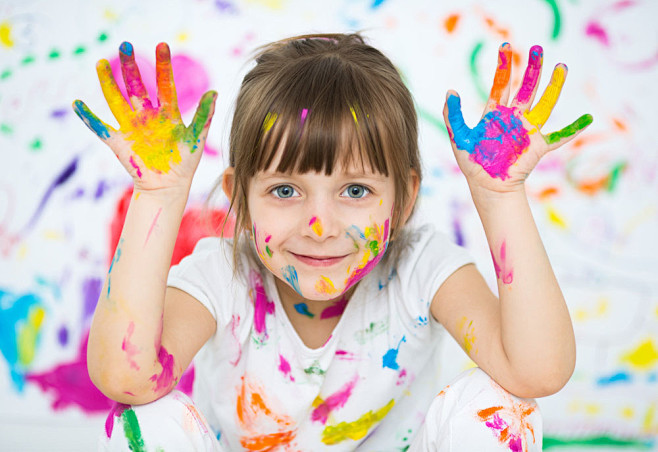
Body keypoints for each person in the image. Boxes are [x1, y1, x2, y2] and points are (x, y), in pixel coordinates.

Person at [73, 34, 591, 451]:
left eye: (356, 190)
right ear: (241, 197)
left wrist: (501, 197)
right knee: (146, 420)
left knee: (498, 405)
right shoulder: (222, 274)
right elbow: (128, 378)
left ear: (403, 198)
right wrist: (158, 195)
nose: (319, 225)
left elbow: (536, 372)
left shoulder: (421, 267)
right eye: (284, 190)